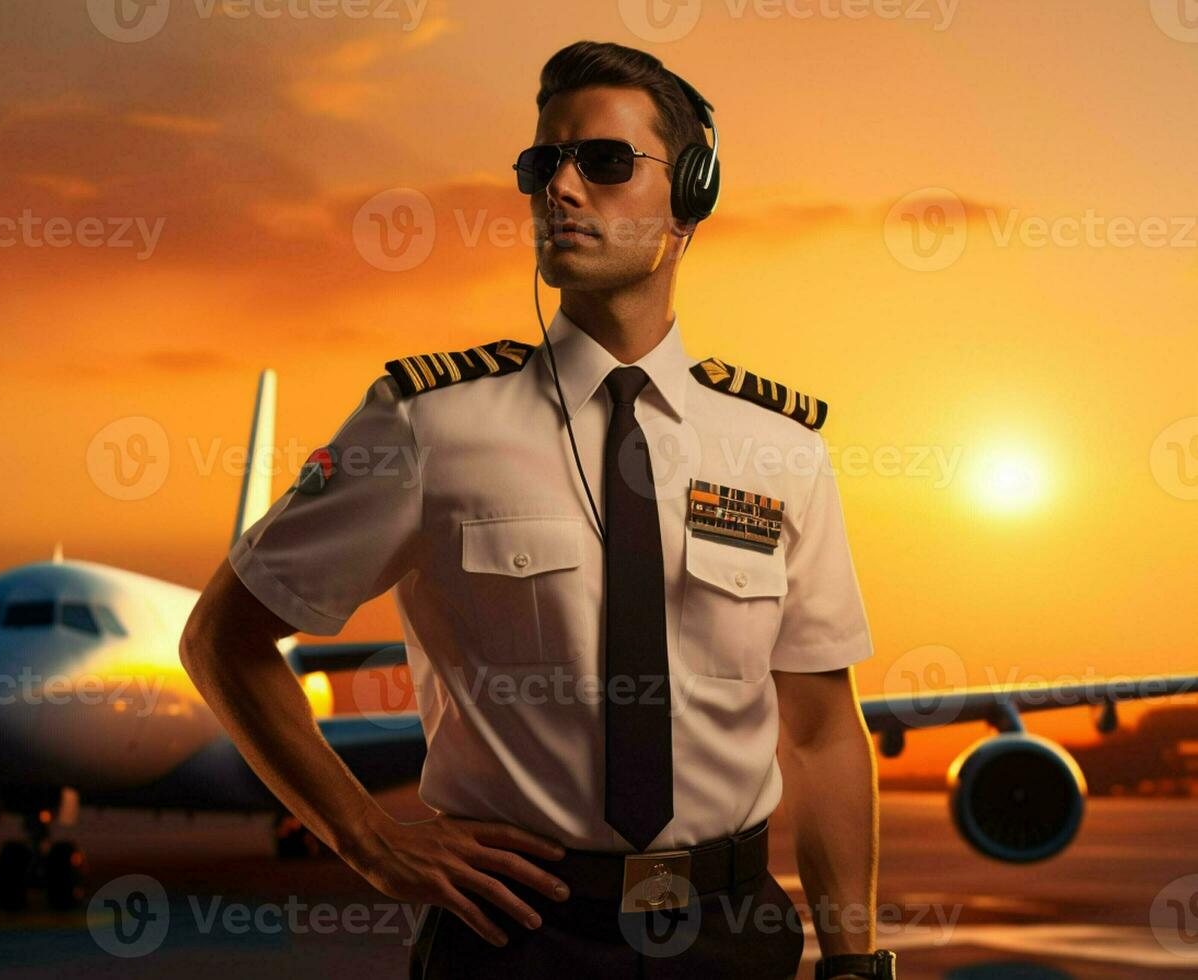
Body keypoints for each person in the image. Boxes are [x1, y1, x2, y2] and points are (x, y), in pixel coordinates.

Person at [181, 39, 893, 980]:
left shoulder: (781, 449)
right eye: (540, 164)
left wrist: (855, 962)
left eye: (601, 163)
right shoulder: (427, 423)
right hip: (519, 940)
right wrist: (369, 840)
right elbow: (221, 638)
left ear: (691, 196)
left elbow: (822, 728)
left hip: (732, 938)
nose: (558, 188)